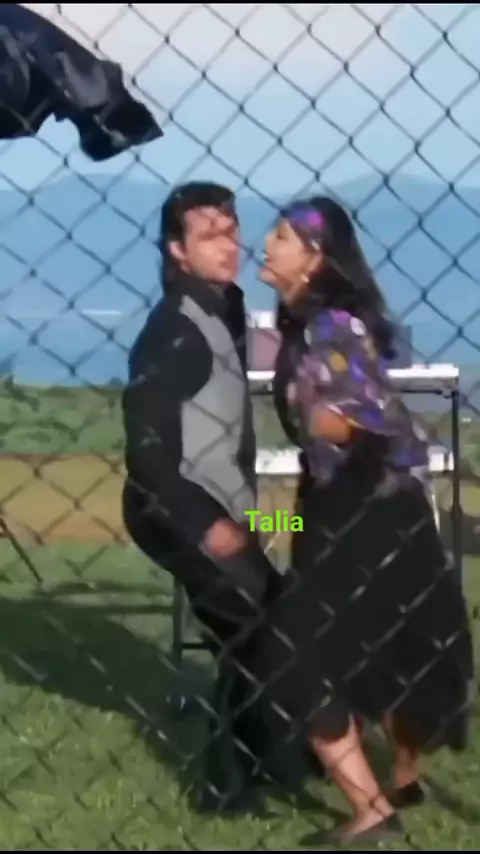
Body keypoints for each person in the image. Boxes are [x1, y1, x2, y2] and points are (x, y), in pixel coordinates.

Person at [253, 196, 474, 845]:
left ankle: (373, 809)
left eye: (282, 236)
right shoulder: (317, 324)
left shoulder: (329, 327)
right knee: (398, 643)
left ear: (315, 257)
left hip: (355, 513)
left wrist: (329, 421)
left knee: (298, 657)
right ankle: (404, 777)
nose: (267, 245)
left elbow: (357, 419)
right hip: (368, 507)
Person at [121, 181, 278, 811]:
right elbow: (148, 454)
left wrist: (271, 518)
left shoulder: (224, 310)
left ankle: (266, 765)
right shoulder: (175, 330)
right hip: (178, 511)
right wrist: (209, 526)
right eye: (210, 235)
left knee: (262, 625)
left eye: (232, 231)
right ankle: (227, 785)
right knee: (256, 626)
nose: (229, 246)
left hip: (231, 507)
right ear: (177, 250)